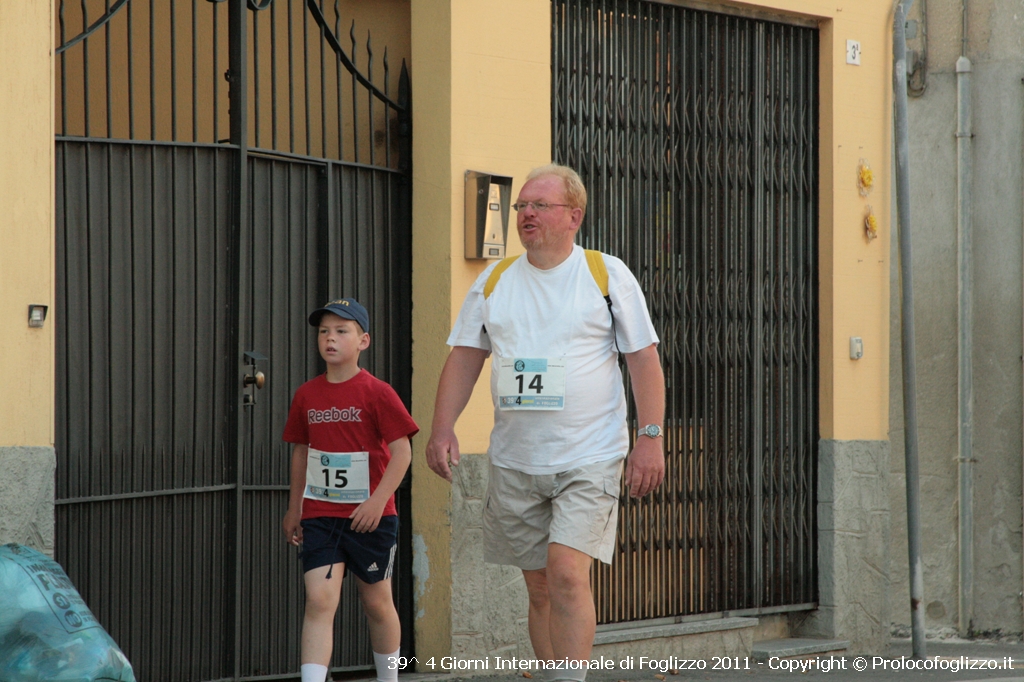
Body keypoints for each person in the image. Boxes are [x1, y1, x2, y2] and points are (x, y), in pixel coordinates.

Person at [426, 164, 665, 679]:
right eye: (521, 206)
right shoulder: (494, 281)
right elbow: (466, 356)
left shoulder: (606, 274)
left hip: (590, 454)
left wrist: (650, 437)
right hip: (516, 459)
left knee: (567, 574)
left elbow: (643, 359)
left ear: (574, 216)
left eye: (540, 205)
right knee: (539, 587)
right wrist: (442, 427)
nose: (526, 214)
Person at [282, 298, 418, 682]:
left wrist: (377, 502)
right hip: (321, 515)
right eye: (324, 331)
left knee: (376, 602)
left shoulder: (378, 392)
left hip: (370, 518)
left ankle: (389, 678)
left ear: (363, 341)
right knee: (319, 599)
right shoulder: (307, 394)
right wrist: (294, 507)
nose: (330, 338)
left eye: (342, 331)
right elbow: (301, 451)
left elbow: (402, 453)